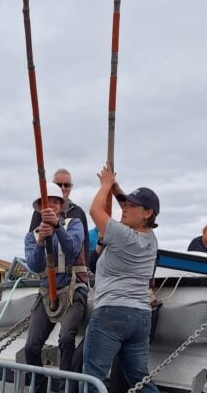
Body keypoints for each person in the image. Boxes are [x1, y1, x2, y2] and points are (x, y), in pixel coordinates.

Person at [83, 162, 159, 393]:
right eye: (125, 204)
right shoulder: (151, 239)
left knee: (92, 377)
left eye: (132, 206)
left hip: (112, 314)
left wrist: (106, 185)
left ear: (148, 213)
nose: (125, 208)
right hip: (141, 317)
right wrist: (117, 190)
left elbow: (95, 211)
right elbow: (128, 210)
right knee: (139, 378)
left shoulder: (122, 235)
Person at [24, 182, 89, 393]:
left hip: (73, 288)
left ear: (61, 206)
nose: (51, 205)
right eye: (47, 202)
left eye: (55, 201)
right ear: (39, 207)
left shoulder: (74, 224)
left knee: (67, 337)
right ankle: (40, 388)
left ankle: (65, 389)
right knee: (31, 346)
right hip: (46, 292)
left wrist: (58, 229)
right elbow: (34, 265)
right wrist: (42, 241)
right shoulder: (32, 235)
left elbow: (71, 250)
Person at [29, 168, 91, 268]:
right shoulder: (38, 214)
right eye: (59, 185)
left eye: (66, 185)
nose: (63, 188)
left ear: (71, 187)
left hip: (74, 275)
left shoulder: (78, 213)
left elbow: (84, 245)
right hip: (48, 274)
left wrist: (86, 268)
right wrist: (41, 240)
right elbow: (34, 237)